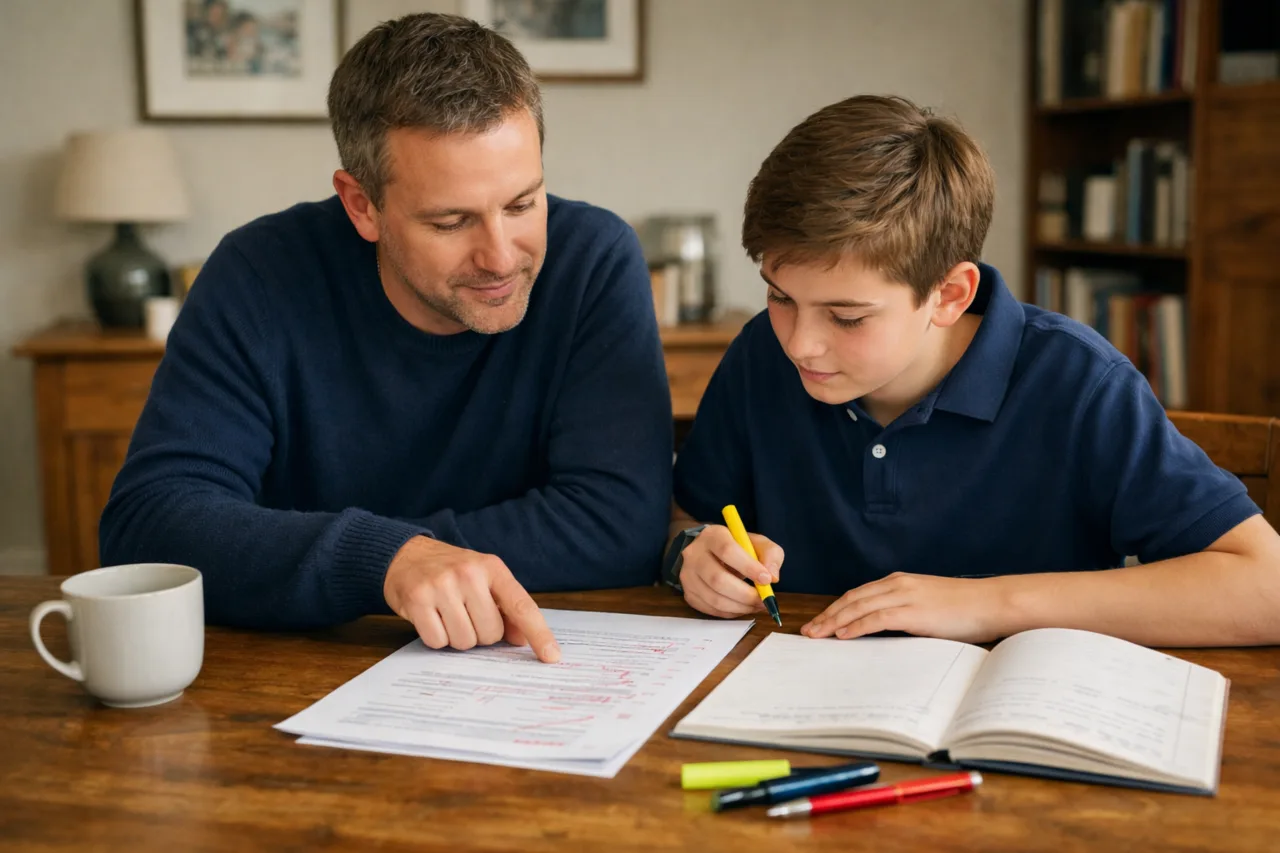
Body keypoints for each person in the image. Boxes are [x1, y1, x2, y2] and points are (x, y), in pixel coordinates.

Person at [100, 13, 674, 662]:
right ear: (361, 205)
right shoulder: (259, 274)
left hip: (528, 667)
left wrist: (405, 559)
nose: (500, 256)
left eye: (522, 204)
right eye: (451, 220)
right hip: (301, 673)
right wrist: (384, 562)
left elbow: (620, 525)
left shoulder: (592, 261)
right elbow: (147, 527)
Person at [665, 94, 1280, 647]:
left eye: (847, 318)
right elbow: (686, 516)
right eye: (779, 297)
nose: (801, 344)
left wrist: (987, 602)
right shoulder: (758, 355)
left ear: (950, 295)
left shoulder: (1077, 383)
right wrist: (691, 554)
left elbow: (1266, 588)